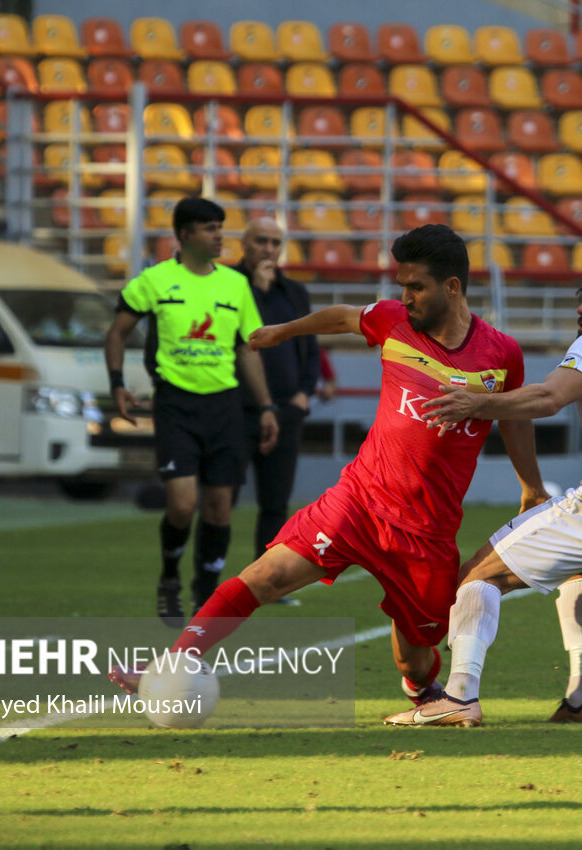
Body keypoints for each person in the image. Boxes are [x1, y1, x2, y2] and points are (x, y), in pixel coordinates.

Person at [108, 224, 549, 710]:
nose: (406, 298)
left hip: (427, 531)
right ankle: (171, 663)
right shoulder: (392, 321)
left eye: (416, 287)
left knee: (417, 658)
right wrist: (283, 331)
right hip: (359, 500)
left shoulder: (500, 354)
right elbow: (344, 317)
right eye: (402, 286)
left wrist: (530, 486)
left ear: (452, 287)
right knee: (266, 576)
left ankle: (422, 689)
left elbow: (516, 417)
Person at [384, 259, 582, 728]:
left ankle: (461, 697)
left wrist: (478, 402)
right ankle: (580, 698)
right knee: (579, 576)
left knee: (476, 577)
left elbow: (548, 398)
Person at [104, 196, 279, 628]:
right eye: (209, 228)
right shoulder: (155, 281)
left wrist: (266, 406)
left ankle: (206, 592)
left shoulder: (235, 286)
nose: (220, 235)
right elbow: (117, 332)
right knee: (182, 505)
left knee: (220, 508)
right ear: (184, 235)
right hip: (175, 404)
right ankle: (169, 578)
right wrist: (117, 384)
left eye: (221, 227)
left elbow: (247, 349)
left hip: (225, 407)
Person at [232, 217, 321, 563]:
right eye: (261, 241)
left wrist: (304, 393)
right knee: (222, 497)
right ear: (245, 243)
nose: (269, 249)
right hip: (237, 408)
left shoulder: (296, 292)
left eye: (275, 243)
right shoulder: (229, 285)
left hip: (287, 410)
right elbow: (245, 336)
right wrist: (256, 290)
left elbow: (310, 348)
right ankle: (210, 583)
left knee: (276, 501)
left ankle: (263, 580)